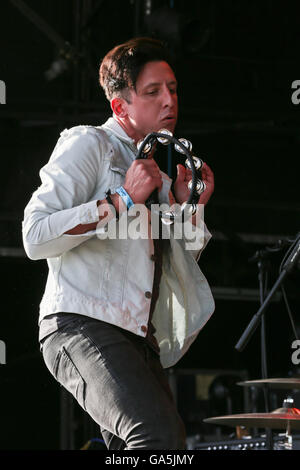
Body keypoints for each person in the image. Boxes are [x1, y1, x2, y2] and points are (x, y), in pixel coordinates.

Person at [22, 37, 215, 450]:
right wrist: (121, 199)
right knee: (158, 439)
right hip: (79, 323)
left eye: (173, 89)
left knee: (158, 445)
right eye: (153, 92)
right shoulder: (88, 143)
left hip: (136, 338)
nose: (169, 101)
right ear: (119, 107)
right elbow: (35, 236)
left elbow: (178, 268)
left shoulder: (159, 179)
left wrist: (190, 207)